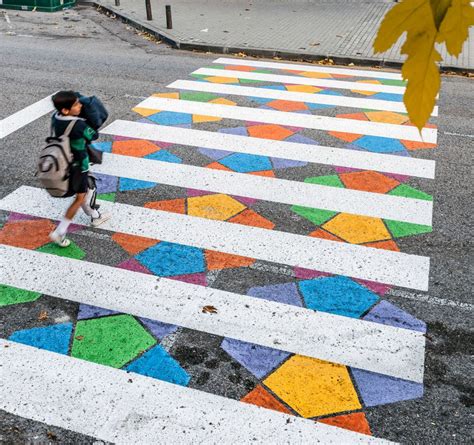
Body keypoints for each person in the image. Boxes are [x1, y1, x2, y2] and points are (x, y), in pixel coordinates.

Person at [49, 91, 110, 247]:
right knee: (80, 197)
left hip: (66, 161)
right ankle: (60, 232)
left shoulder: (56, 118)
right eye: (76, 104)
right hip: (79, 166)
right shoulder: (78, 125)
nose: (80, 105)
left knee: (84, 192)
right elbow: (93, 135)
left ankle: (95, 214)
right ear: (65, 110)